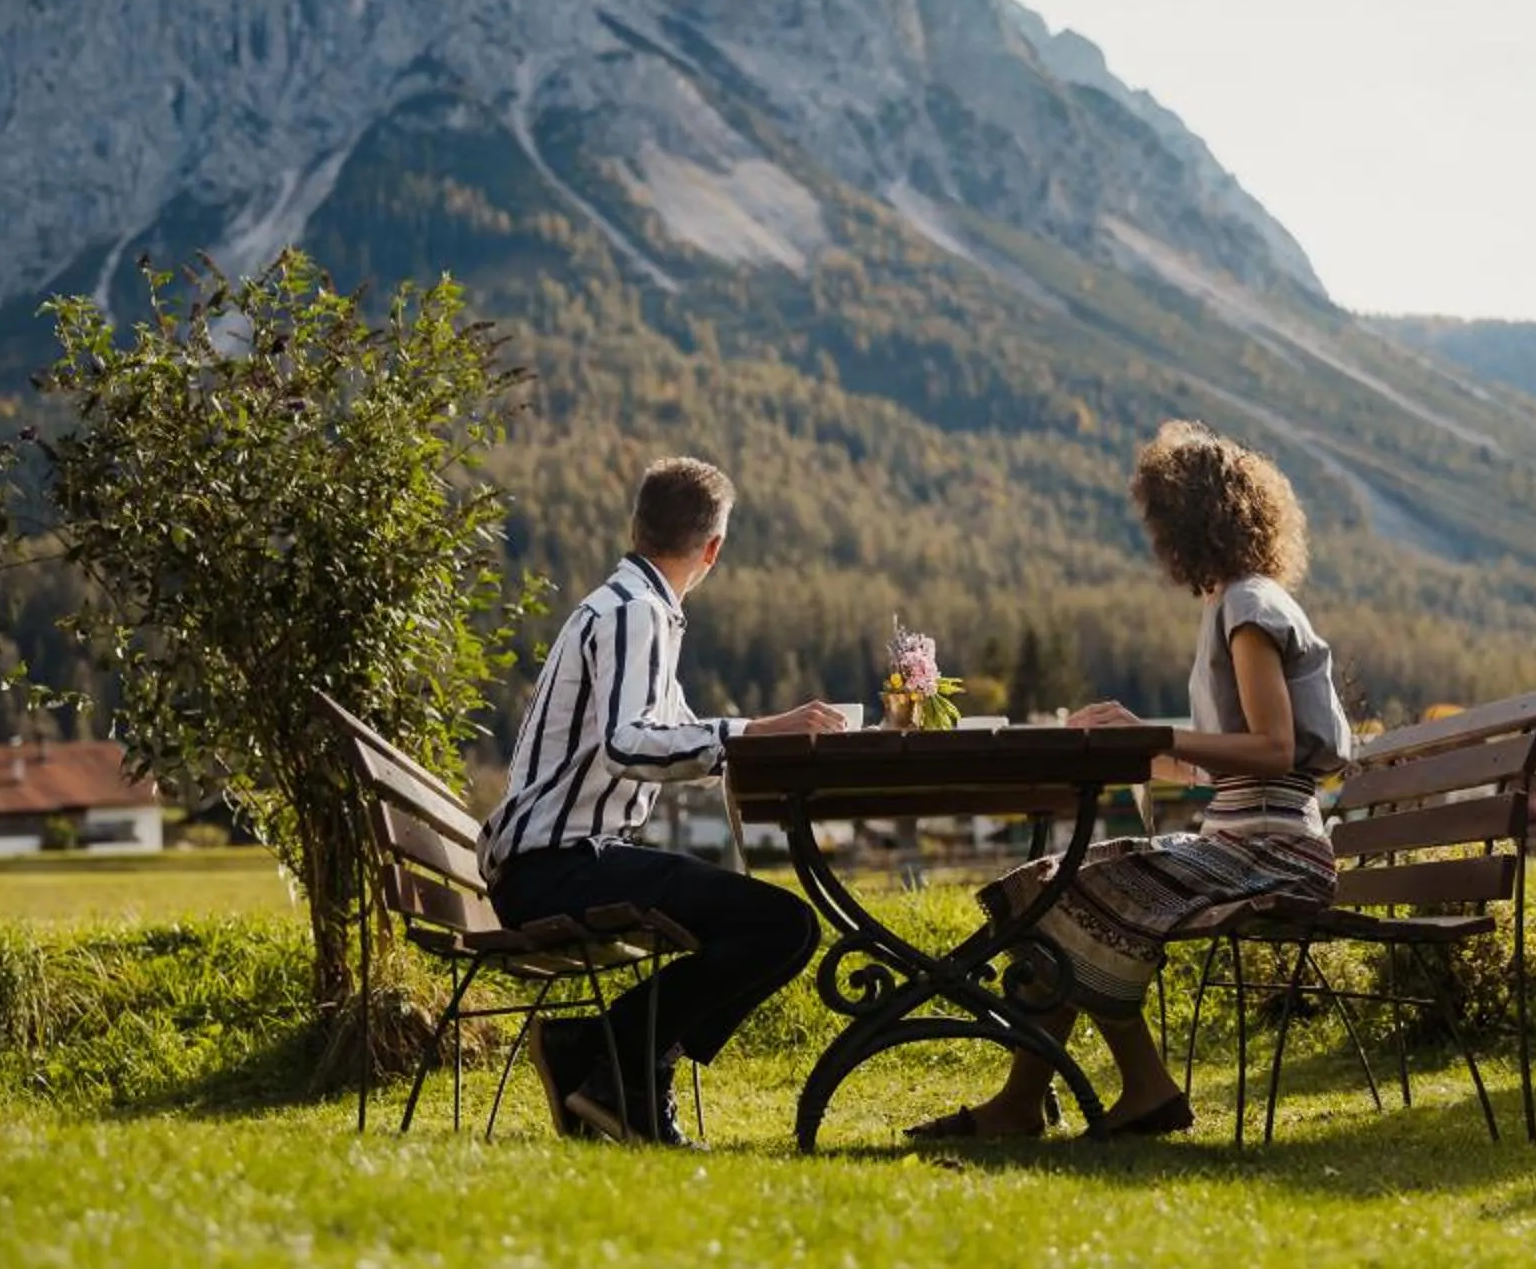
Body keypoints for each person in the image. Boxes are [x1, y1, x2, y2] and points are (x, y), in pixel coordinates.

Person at [908, 420, 1352, 1140]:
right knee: (1051, 883)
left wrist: (1152, 736)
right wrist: (1131, 744)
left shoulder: (1248, 607)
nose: (1156, 544)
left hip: (1272, 854)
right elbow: (1229, 760)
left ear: (1190, 522)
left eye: (1161, 524)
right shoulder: (1240, 602)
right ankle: (1031, 1100)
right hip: (1251, 838)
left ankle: (1131, 1090)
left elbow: (1272, 749)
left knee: (1068, 889)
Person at [481, 456, 837, 1145]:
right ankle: (612, 1062)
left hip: (556, 862)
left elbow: (668, 737)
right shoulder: (635, 613)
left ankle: (605, 1059)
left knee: (771, 922)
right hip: (559, 867)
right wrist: (756, 732)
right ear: (714, 549)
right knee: (783, 927)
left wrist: (753, 745)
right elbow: (629, 743)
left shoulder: (626, 605)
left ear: (638, 526)